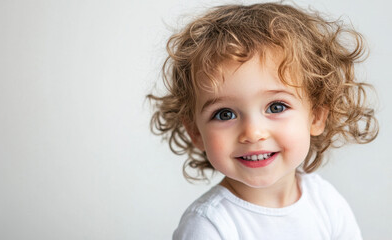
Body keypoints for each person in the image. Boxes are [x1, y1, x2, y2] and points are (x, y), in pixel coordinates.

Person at [147, 2, 378, 239]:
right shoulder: (209, 226)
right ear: (195, 132)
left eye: (276, 107)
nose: (253, 132)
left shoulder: (326, 202)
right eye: (225, 113)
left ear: (316, 116)